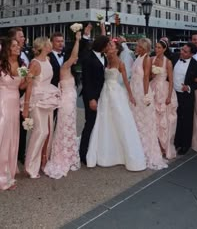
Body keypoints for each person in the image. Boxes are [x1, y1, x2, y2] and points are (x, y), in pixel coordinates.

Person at [87, 41, 146, 171]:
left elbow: (125, 81)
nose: (109, 48)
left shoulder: (121, 63)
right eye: (108, 46)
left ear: (117, 50)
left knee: (120, 119)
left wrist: (130, 96)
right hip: (105, 92)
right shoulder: (106, 59)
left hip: (115, 92)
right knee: (104, 119)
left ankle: (123, 154)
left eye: (112, 47)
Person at [44, 31, 82, 178]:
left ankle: (67, 152)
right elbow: (73, 56)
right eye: (58, 41)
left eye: (62, 41)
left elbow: (74, 57)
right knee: (57, 127)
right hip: (60, 100)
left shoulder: (69, 68)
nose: (61, 43)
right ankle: (52, 154)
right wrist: (77, 40)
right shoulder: (65, 66)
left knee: (67, 127)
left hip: (68, 101)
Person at [22, 37, 61, 178]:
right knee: (41, 132)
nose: (51, 46)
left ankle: (42, 162)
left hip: (48, 98)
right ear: (43, 46)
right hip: (37, 100)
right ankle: (30, 167)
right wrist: (26, 106)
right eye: (48, 44)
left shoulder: (48, 60)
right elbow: (29, 85)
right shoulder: (34, 63)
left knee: (48, 132)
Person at [130, 38, 168, 170]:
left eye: (139, 46)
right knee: (135, 120)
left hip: (142, 91)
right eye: (137, 46)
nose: (137, 48)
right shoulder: (137, 58)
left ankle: (146, 150)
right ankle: (136, 148)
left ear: (145, 48)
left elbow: (146, 77)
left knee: (145, 121)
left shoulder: (147, 59)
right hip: (134, 90)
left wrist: (146, 95)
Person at [79, 35, 111, 165]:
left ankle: (95, 149)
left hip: (102, 95)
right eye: (107, 45)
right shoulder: (88, 58)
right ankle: (83, 153)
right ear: (102, 45)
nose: (109, 47)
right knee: (90, 123)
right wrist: (92, 99)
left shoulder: (104, 57)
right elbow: (86, 81)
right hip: (91, 96)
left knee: (98, 123)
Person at [0, 38, 26, 190]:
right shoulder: (1, 64)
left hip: (14, 103)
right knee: (2, 137)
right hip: (2, 102)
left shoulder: (23, 65)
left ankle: (8, 172)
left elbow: (22, 85)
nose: (18, 47)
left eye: (18, 45)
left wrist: (29, 79)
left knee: (11, 138)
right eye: (14, 46)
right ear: (7, 49)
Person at [172, 43, 197, 155]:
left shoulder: (196, 66)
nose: (182, 52)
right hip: (173, 94)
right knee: (175, 118)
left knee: (186, 121)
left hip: (186, 96)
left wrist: (189, 87)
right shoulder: (175, 57)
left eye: (185, 51)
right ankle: (175, 141)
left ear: (191, 54)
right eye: (182, 49)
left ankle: (185, 144)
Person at [8, 27, 33, 165]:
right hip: (5, 99)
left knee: (21, 128)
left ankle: (19, 154)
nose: (24, 39)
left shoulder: (24, 58)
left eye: (23, 37)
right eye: (21, 37)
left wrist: (29, 80)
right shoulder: (3, 60)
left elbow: (24, 81)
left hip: (21, 96)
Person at [150, 39, 178, 159]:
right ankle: (155, 145)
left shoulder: (168, 62)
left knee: (164, 119)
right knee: (153, 118)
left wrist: (169, 96)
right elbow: (148, 76)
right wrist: (153, 74)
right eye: (155, 47)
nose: (157, 49)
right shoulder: (151, 60)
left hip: (164, 90)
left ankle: (164, 146)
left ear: (164, 49)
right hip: (153, 88)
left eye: (159, 47)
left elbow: (171, 80)